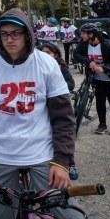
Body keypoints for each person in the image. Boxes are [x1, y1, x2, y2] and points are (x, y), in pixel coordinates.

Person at [0, 9, 89, 219]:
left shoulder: (46, 64)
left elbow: (63, 118)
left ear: (27, 35)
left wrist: (62, 161)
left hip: (41, 156)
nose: (10, 39)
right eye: (4, 34)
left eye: (16, 33)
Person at [39, 41, 79, 181]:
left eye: (49, 52)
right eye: (43, 52)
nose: (46, 55)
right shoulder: (37, 68)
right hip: (42, 106)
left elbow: (71, 83)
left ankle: (70, 163)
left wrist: (59, 89)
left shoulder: (61, 67)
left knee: (64, 131)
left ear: (55, 54)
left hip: (58, 102)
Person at [73, 24, 110, 135]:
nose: (82, 35)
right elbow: (76, 54)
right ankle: (102, 124)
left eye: (84, 33)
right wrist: (89, 62)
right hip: (96, 78)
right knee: (100, 101)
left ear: (91, 34)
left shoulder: (106, 44)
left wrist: (103, 68)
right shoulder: (84, 44)